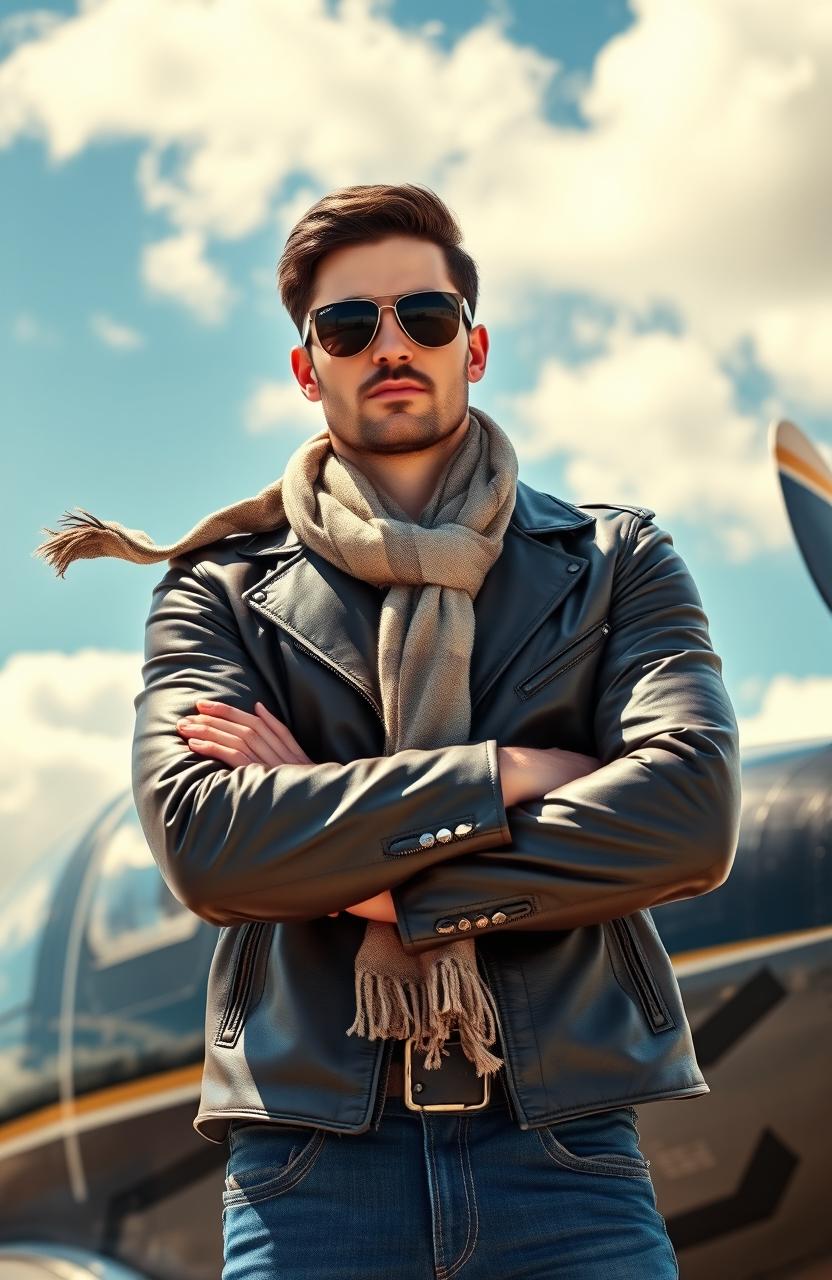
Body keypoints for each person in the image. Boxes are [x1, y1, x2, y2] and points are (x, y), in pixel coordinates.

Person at [35, 183, 741, 1278]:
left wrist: (351, 867)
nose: (391, 344)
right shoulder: (213, 591)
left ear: (477, 342)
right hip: (308, 1170)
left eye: (425, 315)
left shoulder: (617, 564)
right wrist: (502, 771)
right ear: (307, 367)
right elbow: (211, 844)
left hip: (565, 1153)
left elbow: (687, 816)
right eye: (348, 325)